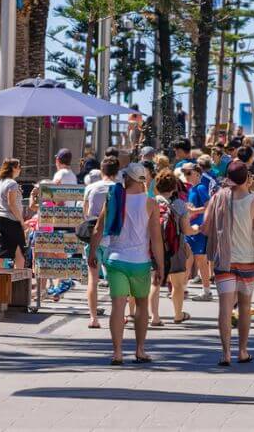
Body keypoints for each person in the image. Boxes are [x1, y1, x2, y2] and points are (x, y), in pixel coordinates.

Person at [88, 162, 165, 365]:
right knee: (141, 306)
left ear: (127, 178)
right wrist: (161, 266)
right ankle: (140, 350)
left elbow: (98, 228)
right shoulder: (151, 203)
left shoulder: (113, 199)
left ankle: (118, 352)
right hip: (140, 263)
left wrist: (92, 252)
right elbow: (156, 239)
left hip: (116, 260)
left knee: (118, 306)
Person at [202, 160, 254, 366]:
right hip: (248, 259)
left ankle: (226, 353)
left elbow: (205, 226)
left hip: (224, 260)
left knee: (224, 308)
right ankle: (242, 351)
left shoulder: (218, 197)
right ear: (247, 178)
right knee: (246, 307)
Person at [156, 169, 200, 321]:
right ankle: (178, 315)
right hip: (175, 247)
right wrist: (196, 229)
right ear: (174, 187)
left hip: (154, 248)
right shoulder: (180, 205)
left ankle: (154, 317)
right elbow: (187, 229)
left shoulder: (152, 202)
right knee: (177, 284)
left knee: (154, 283)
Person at [82, 156, 119, 329]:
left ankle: (93, 318)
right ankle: (120, 315)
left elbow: (86, 212)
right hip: (114, 240)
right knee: (117, 281)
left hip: (94, 238)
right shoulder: (120, 189)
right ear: (117, 172)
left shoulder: (91, 188)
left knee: (93, 280)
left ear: (102, 171)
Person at [181, 163, 213, 302]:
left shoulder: (200, 188)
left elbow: (209, 206)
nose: (186, 176)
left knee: (200, 260)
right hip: (191, 228)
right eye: (184, 173)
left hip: (198, 229)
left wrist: (194, 211)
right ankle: (182, 289)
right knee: (188, 259)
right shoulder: (192, 189)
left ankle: (206, 291)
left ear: (198, 174)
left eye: (189, 173)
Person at [0, 159, 26, 269]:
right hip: (10, 219)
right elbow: (11, 204)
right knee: (21, 250)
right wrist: (21, 221)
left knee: (5, 249)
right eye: (18, 166)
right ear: (13, 168)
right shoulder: (12, 183)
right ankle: (19, 280)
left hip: (1, 218)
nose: (20, 169)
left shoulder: (1, 182)